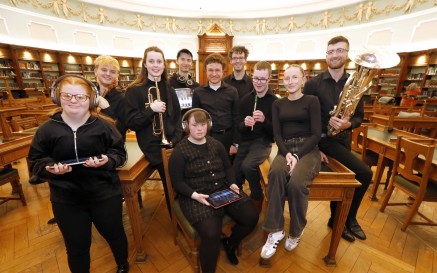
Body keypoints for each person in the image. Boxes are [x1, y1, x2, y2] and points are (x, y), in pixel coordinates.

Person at [27, 75, 129, 273]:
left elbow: (119, 154)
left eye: (80, 97)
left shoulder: (105, 126)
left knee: (115, 235)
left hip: (105, 194)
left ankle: (123, 265)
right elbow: (35, 161)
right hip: (66, 199)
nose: (73, 100)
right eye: (67, 95)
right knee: (77, 248)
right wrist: (49, 168)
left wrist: (107, 161)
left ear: (90, 99)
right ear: (57, 97)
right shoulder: (46, 130)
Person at [169, 108, 258, 272]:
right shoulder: (179, 151)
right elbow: (177, 182)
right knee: (211, 234)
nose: (199, 129)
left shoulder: (216, 144)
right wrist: (194, 195)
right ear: (186, 126)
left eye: (202, 124)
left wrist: (232, 183)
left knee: (251, 217)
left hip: (223, 189)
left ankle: (230, 244)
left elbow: (227, 167)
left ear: (208, 125)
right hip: (195, 196)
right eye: (195, 125)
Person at [303, 35, 373, 242]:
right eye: (331, 51)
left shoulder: (356, 84)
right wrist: (316, 147)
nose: (335, 55)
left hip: (343, 140)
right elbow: (306, 120)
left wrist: (348, 124)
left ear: (347, 54)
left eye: (340, 50)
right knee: (365, 173)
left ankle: (340, 220)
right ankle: (348, 219)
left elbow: (360, 116)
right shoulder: (313, 85)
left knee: (348, 182)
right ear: (326, 55)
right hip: (324, 141)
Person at [260, 65, 321, 259]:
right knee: (275, 174)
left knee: (296, 184)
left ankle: (296, 230)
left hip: (308, 149)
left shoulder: (312, 101)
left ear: (303, 80)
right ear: (283, 81)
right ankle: (275, 230)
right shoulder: (278, 104)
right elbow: (277, 134)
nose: (291, 81)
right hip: (285, 148)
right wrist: (287, 154)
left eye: (295, 77)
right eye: (287, 78)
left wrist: (297, 156)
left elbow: (316, 134)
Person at [124, 46, 183, 216]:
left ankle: (184, 212)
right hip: (152, 146)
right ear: (144, 64)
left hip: (171, 141)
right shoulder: (134, 90)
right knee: (171, 179)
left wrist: (176, 138)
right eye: (151, 61)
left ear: (164, 65)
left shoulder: (168, 87)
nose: (155, 65)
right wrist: (151, 109)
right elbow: (132, 123)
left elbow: (177, 117)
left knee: (183, 175)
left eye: (159, 61)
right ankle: (176, 217)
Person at [233, 61, 277, 213]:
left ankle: (257, 196)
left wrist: (265, 121)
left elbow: (275, 135)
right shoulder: (245, 100)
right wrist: (244, 124)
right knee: (235, 173)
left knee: (248, 166)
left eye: (262, 79)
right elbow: (238, 128)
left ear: (269, 79)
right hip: (246, 141)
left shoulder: (275, 102)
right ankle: (238, 203)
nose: (258, 82)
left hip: (263, 142)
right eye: (256, 78)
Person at [192, 53, 240, 157]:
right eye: (210, 70)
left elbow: (236, 118)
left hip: (228, 138)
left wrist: (235, 143)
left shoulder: (232, 91)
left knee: (228, 169)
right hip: (207, 138)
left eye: (217, 70)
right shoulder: (198, 92)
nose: (214, 74)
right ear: (206, 70)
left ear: (223, 71)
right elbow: (195, 121)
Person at [94, 55, 127, 139]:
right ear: (95, 71)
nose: (108, 74)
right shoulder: (87, 94)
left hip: (111, 146)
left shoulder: (122, 98)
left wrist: (106, 108)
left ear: (117, 75)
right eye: (104, 70)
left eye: (112, 71)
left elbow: (120, 130)